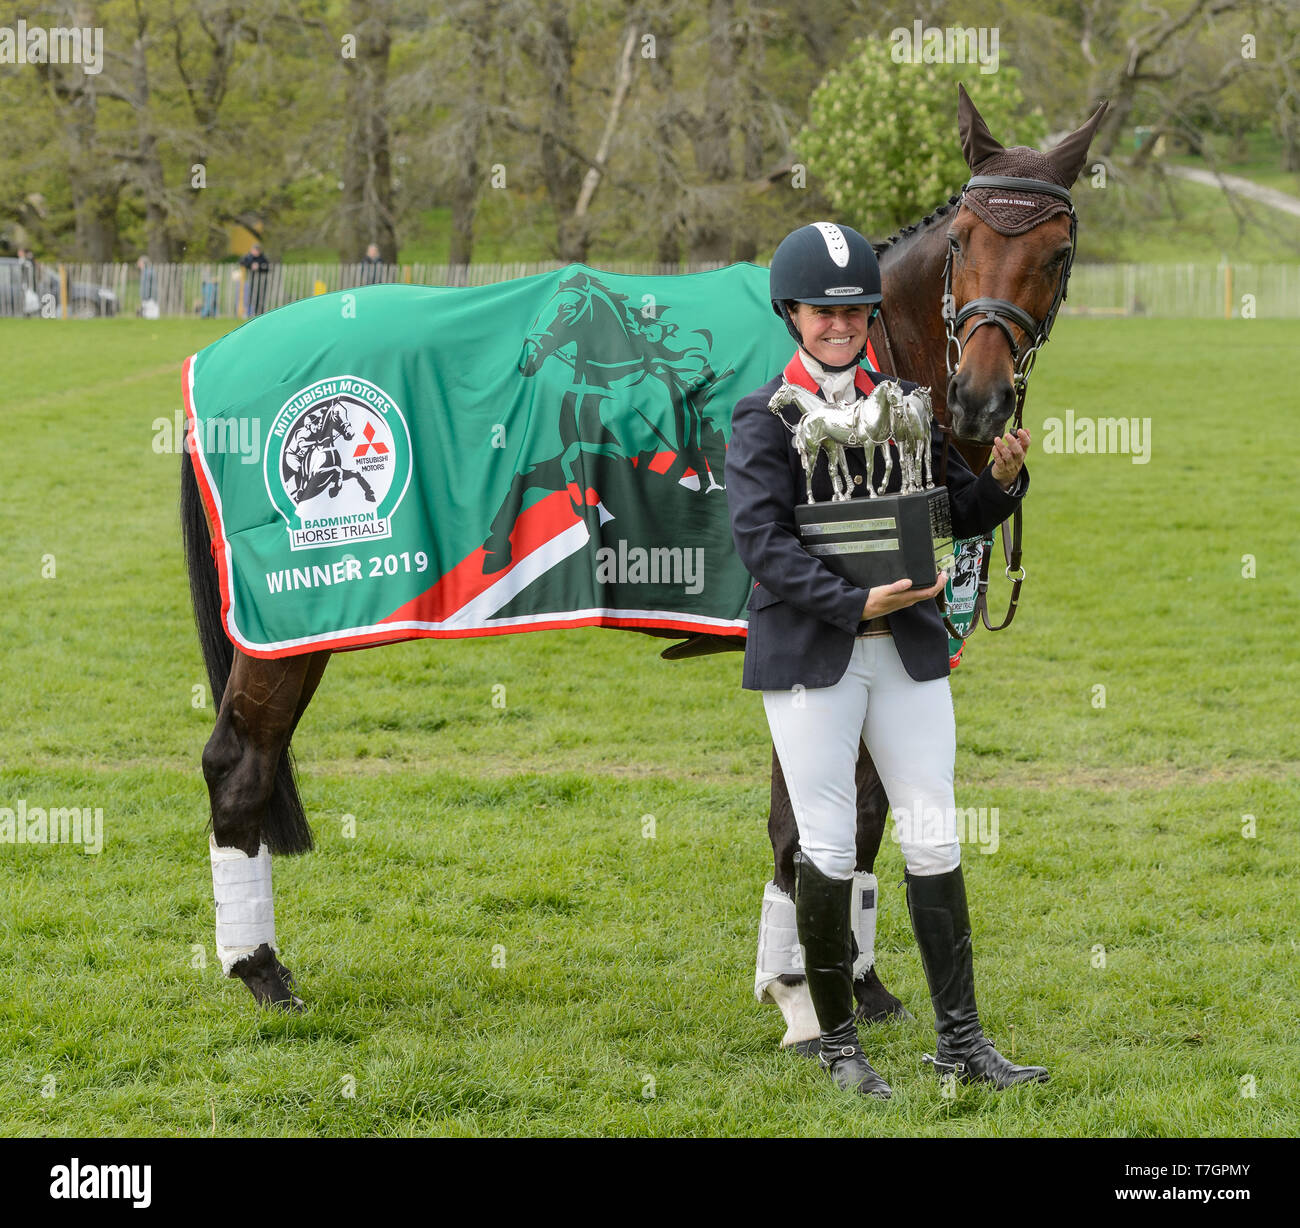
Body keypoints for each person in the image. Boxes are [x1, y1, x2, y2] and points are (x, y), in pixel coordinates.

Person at [727, 221, 1047, 1099]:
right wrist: (851, 602)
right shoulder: (762, 417)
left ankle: (963, 1043)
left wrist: (1003, 481)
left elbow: (951, 511)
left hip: (906, 653)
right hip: (814, 657)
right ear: (791, 313)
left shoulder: (908, 402)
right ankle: (838, 1049)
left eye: (853, 309)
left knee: (935, 831)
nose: (840, 324)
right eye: (821, 312)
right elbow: (762, 545)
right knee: (828, 844)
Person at [240, 243, 270, 316]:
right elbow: (241, 263)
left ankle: (258, 313)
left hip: (260, 282)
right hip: (250, 280)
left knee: (259, 297)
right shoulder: (248, 257)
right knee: (249, 297)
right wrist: (251, 265)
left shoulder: (263, 258)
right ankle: (248, 312)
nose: (256, 252)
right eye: (254, 250)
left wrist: (259, 267)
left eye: (257, 250)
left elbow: (266, 268)